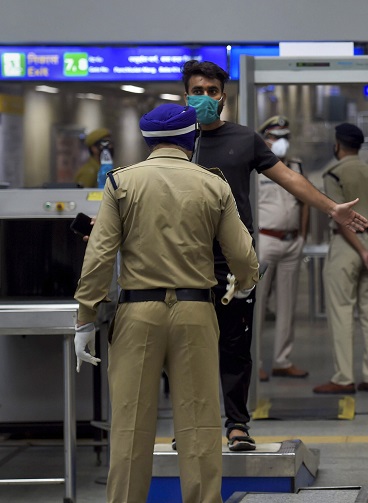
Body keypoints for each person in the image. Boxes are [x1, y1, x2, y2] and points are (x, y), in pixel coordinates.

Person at [73, 103, 259, 503]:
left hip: (137, 312)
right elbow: (242, 256)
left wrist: (86, 317)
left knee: (130, 427)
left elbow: (99, 257)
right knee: (199, 427)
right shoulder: (213, 184)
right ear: (192, 138)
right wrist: (242, 285)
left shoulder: (122, 183)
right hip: (195, 310)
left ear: (146, 142)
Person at [181, 60, 367, 451]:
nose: (204, 98)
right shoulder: (177, 140)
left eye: (211, 92)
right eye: (196, 91)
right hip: (186, 262)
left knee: (235, 347)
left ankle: (236, 425)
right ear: (186, 94)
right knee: (190, 350)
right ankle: (192, 428)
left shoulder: (244, 139)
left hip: (233, 262)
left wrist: (331, 208)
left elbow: (291, 179)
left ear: (223, 97)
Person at [313, 123, 368, 395]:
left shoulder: (335, 173)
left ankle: (343, 377)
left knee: (341, 310)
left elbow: (340, 217)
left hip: (347, 245)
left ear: (338, 145)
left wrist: (360, 249)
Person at [255, 115, 310, 382]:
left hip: (291, 241)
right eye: (277, 137)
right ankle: (255, 362)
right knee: (257, 304)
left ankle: (282, 360)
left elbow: (305, 201)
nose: (282, 143)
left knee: (287, 304)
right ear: (265, 139)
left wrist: (303, 235)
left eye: (285, 138)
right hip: (265, 241)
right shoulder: (254, 168)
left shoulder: (296, 166)